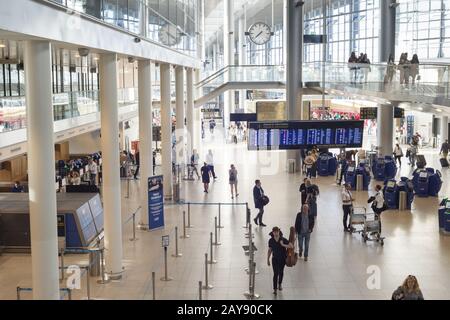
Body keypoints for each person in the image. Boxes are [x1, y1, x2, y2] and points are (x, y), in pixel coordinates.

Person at [267, 227, 293, 295]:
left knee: (281, 272)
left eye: (277, 231)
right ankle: (275, 289)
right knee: (275, 273)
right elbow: (270, 250)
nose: (276, 233)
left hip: (282, 259)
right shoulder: (271, 240)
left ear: (279, 232)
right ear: (272, 232)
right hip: (274, 259)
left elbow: (291, 246)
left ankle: (280, 284)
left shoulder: (283, 239)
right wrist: (268, 259)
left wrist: (283, 245)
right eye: (274, 232)